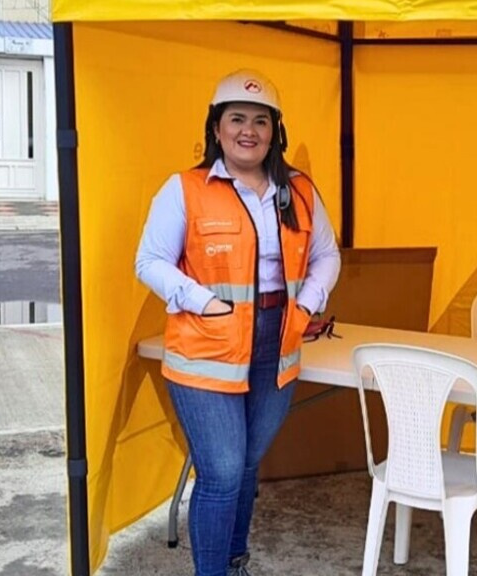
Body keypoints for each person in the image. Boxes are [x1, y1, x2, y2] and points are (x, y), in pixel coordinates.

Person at [135, 70, 341, 576]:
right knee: (223, 471)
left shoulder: (298, 191)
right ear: (217, 128)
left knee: (247, 467)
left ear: (275, 131)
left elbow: (326, 255)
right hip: (208, 345)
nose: (248, 130)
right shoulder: (185, 189)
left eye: (260, 121)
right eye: (236, 119)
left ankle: (233, 561)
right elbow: (150, 260)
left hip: (277, 342)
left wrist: (309, 304)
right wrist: (202, 302)